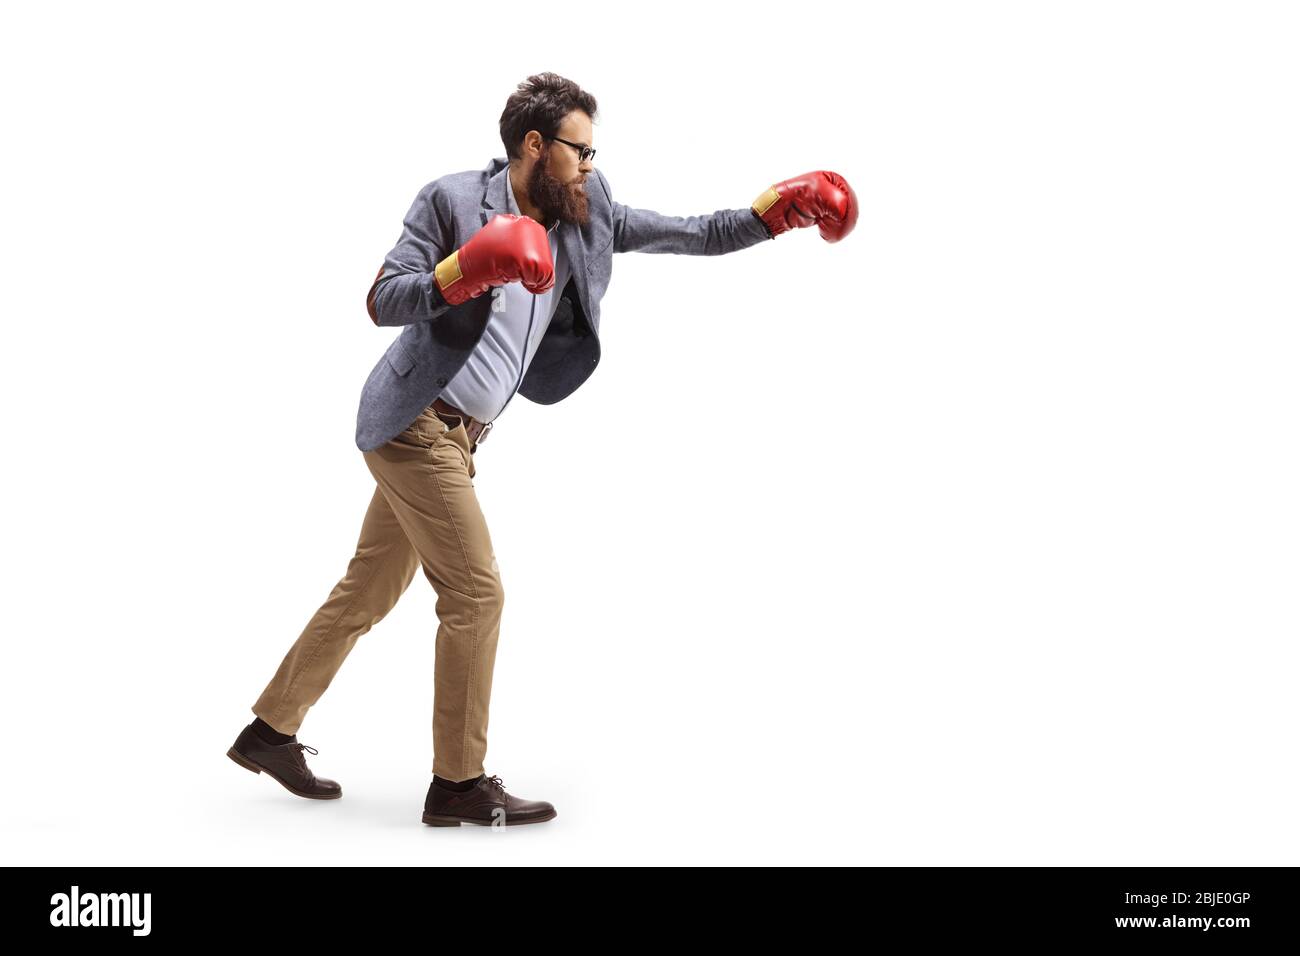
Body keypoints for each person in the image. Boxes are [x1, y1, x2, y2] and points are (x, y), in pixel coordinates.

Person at [227, 72, 858, 827]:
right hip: (413, 423)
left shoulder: (586, 213)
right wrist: (468, 267)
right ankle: (457, 783)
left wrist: (771, 213)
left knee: (368, 590)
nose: (590, 164)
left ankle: (270, 731)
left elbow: (690, 231)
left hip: (463, 439)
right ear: (536, 145)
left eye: (594, 152)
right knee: (477, 593)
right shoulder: (453, 200)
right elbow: (383, 298)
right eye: (579, 150)